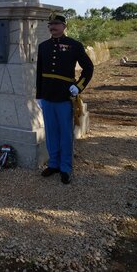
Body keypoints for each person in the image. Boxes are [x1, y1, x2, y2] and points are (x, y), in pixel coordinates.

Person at [36, 13, 94, 184]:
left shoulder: (74, 45)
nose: (52, 27)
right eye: (50, 24)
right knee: (51, 132)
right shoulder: (43, 46)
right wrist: (38, 95)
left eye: (56, 24)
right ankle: (53, 163)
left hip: (64, 96)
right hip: (47, 96)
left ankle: (66, 167)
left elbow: (88, 68)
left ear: (64, 26)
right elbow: (39, 72)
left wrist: (78, 86)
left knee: (65, 133)